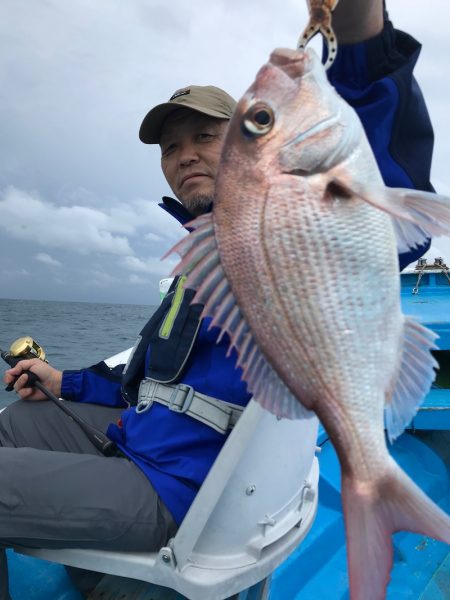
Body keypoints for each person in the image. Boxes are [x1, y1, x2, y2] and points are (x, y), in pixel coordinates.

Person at [0, 1, 434, 597]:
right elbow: (147, 381)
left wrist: (357, 20)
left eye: (208, 136)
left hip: (185, 486)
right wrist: (64, 381)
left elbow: (372, 143)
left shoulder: (298, 226)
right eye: (170, 148)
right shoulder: (201, 259)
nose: (185, 156)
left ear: (247, 151)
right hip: (147, 439)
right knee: (23, 417)